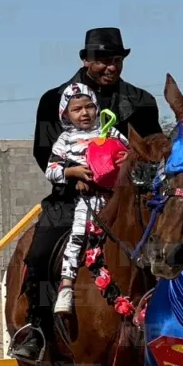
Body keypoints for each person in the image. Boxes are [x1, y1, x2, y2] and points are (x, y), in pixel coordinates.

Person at [11, 27, 164, 362]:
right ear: (85, 60)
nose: (110, 66)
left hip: (126, 201)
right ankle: (36, 327)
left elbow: (154, 153)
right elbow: (43, 152)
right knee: (40, 250)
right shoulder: (54, 100)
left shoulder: (142, 102)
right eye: (102, 60)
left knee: (170, 243)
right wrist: (74, 177)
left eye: (116, 60)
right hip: (72, 197)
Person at [44, 82, 128, 315]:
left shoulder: (110, 131)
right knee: (78, 235)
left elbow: (130, 156)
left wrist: (124, 161)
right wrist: (72, 172)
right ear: (66, 114)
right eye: (77, 109)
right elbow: (50, 169)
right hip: (87, 200)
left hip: (114, 199)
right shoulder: (65, 140)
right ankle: (67, 286)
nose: (84, 113)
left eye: (89, 106)